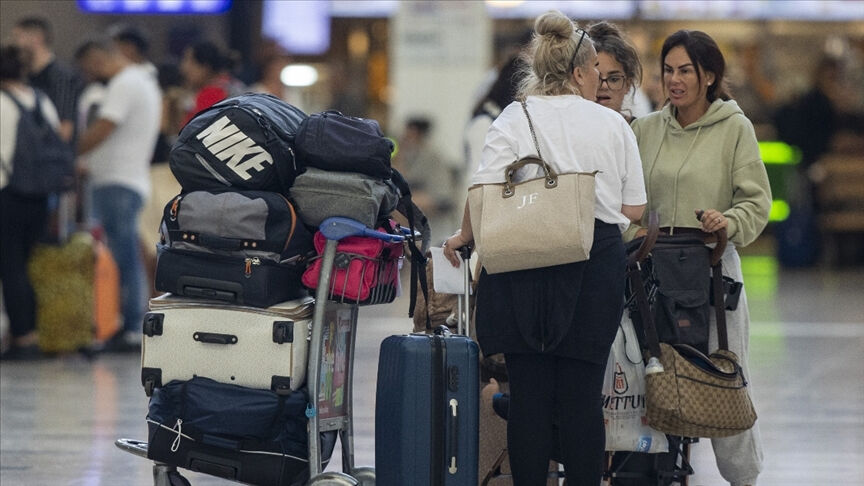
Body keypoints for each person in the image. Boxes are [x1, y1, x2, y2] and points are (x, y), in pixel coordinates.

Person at [443, 11, 646, 485]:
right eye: (595, 68)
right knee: (581, 399)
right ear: (578, 72)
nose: (600, 77)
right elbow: (634, 208)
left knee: (530, 399)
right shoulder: (611, 125)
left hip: (523, 263)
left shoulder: (514, 117)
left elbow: (483, 190)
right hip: (593, 264)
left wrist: (462, 237)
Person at [627, 30, 771, 486]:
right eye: (668, 70)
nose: (674, 79)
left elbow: (756, 202)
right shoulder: (644, 129)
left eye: (684, 70)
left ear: (708, 76)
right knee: (651, 374)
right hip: (651, 271)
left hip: (711, 269)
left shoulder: (735, 128)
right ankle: (657, 472)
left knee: (724, 375)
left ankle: (743, 477)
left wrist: (725, 222)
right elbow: (624, 202)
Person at [75, 38, 162, 352]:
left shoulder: (125, 83)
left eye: (89, 69)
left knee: (126, 257)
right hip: (126, 180)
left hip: (119, 182)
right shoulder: (142, 81)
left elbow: (104, 127)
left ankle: (129, 328)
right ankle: (127, 325)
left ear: (99, 59)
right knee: (127, 254)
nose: (91, 75)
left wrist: (69, 152)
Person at [0, 45, 61, 360]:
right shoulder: (40, 99)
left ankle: (22, 338)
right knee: (23, 265)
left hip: (8, 193)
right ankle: (29, 333)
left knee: (10, 266)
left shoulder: (2, 102)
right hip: (40, 195)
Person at [12, 17, 82, 143]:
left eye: (19, 37)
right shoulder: (24, 77)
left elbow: (65, 128)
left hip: (50, 156)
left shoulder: (62, 77)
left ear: (37, 38)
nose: (16, 45)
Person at [588, 21, 643, 122]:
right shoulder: (569, 130)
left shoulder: (639, 132)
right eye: (597, 78)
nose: (604, 86)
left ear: (628, 84)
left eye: (613, 79)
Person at [179, 41, 245, 126]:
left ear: (205, 67)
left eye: (190, 61)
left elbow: (193, 132)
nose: (184, 68)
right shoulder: (230, 84)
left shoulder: (212, 93)